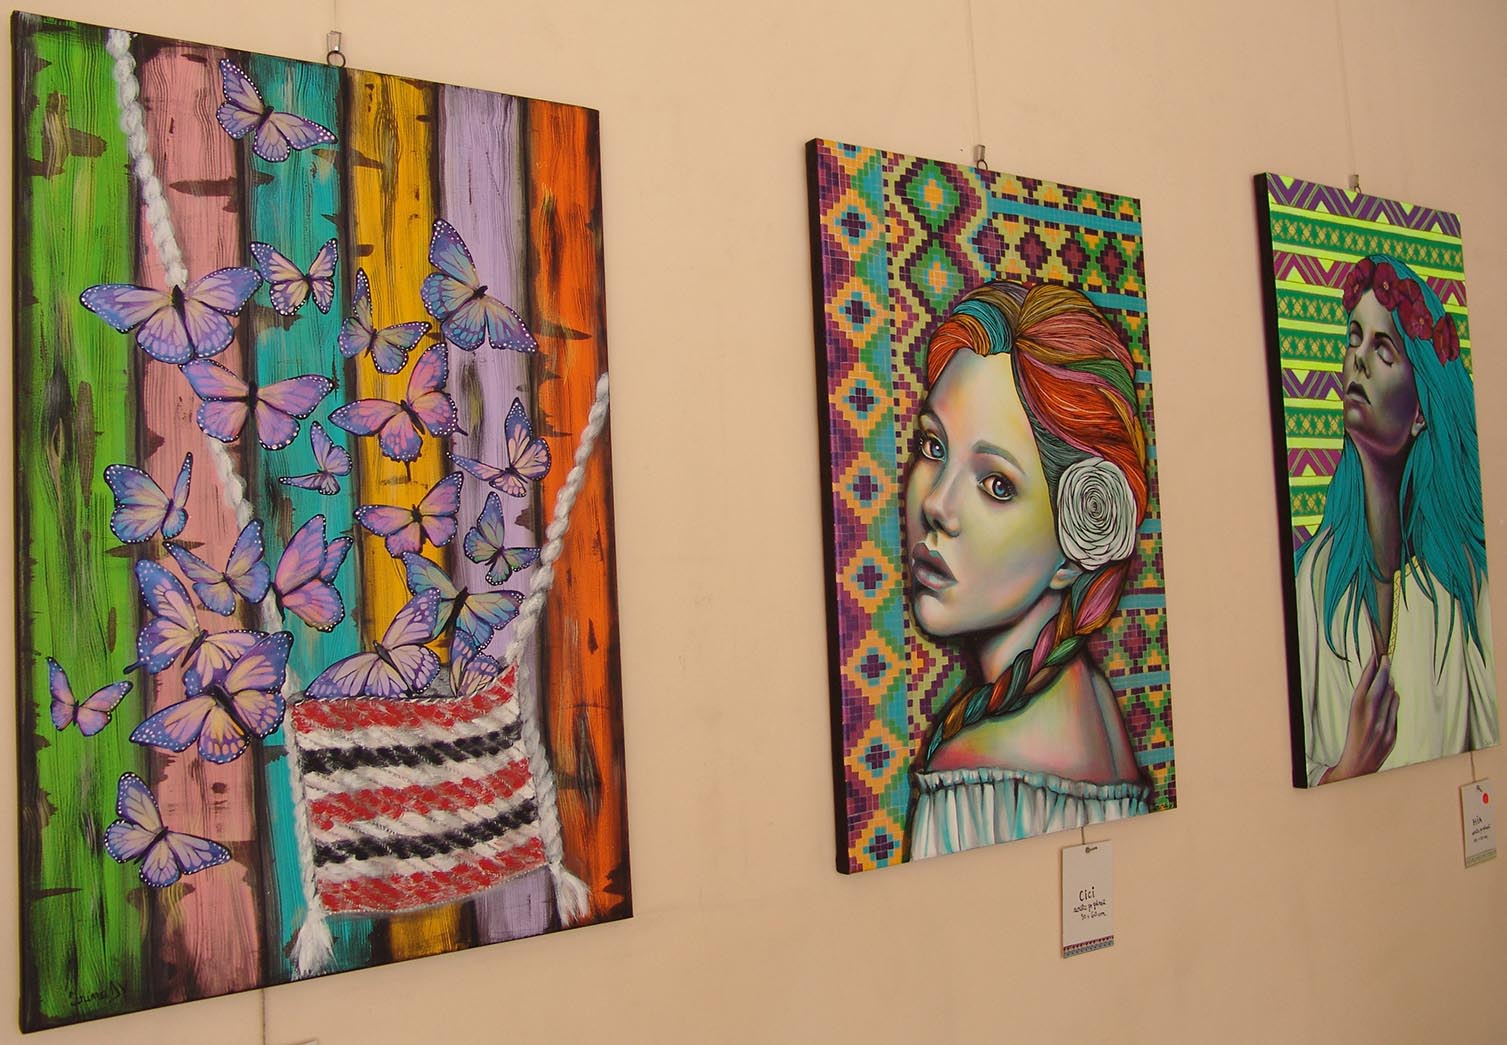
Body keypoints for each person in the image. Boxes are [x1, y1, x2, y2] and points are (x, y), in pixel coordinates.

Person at [903, 280, 1151, 858]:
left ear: (1076, 540)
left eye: (996, 484)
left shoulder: (974, 777)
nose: (936, 504)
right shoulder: (1092, 704)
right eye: (934, 448)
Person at [1296, 254, 1497, 785]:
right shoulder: (1315, 581)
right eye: (1354, 339)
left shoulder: (1464, 585)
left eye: (1383, 349)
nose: (1358, 361)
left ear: (1421, 411)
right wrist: (1351, 767)